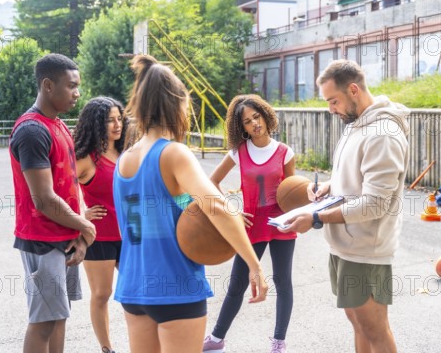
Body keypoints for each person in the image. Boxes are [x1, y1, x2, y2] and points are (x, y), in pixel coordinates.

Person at [113, 55, 268, 353]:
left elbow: (152, 216)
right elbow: (217, 207)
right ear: (177, 104)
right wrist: (254, 263)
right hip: (175, 287)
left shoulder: (125, 159)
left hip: (133, 287)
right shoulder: (173, 153)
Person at [281, 59, 410, 353]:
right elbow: (357, 180)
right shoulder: (356, 124)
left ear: (353, 89)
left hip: (366, 248)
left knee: (375, 329)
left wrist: (316, 218)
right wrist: (328, 187)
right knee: (357, 321)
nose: (331, 109)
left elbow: (375, 203)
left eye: (333, 101)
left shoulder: (383, 134)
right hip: (346, 245)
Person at [9, 53, 96, 353]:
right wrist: (85, 224)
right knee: (43, 321)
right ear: (48, 85)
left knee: (59, 316)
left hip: (64, 237)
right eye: (71, 86)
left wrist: (79, 235)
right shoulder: (32, 131)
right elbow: (44, 200)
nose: (77, 93)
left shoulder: (58, 125)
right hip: (41, 240)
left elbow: (69, 186)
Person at [203, 95, 296, 353]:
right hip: (252, 223)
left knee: (282, 281)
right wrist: (231, 210)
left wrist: (305, 208)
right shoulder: (238, 152)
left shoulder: (285, 152)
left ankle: (279, 342)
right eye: (247, 121)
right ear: (241, 127)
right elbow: (212, 182)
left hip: (281, 223)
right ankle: (217, 338)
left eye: (257, 117)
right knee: (238, 283)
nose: (255, 123)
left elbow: (292, 191)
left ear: (266, 116)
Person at [73, 96, 129, 353]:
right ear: (96, 123)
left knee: (138, 290)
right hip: (100, 238)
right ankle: (107, 349)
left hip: (132, 235)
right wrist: (81, 216)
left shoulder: (128, 152)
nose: (117, 124)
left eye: (119, 118)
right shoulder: (86, 159)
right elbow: (57, 192)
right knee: (102, 294)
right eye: (110, 120)